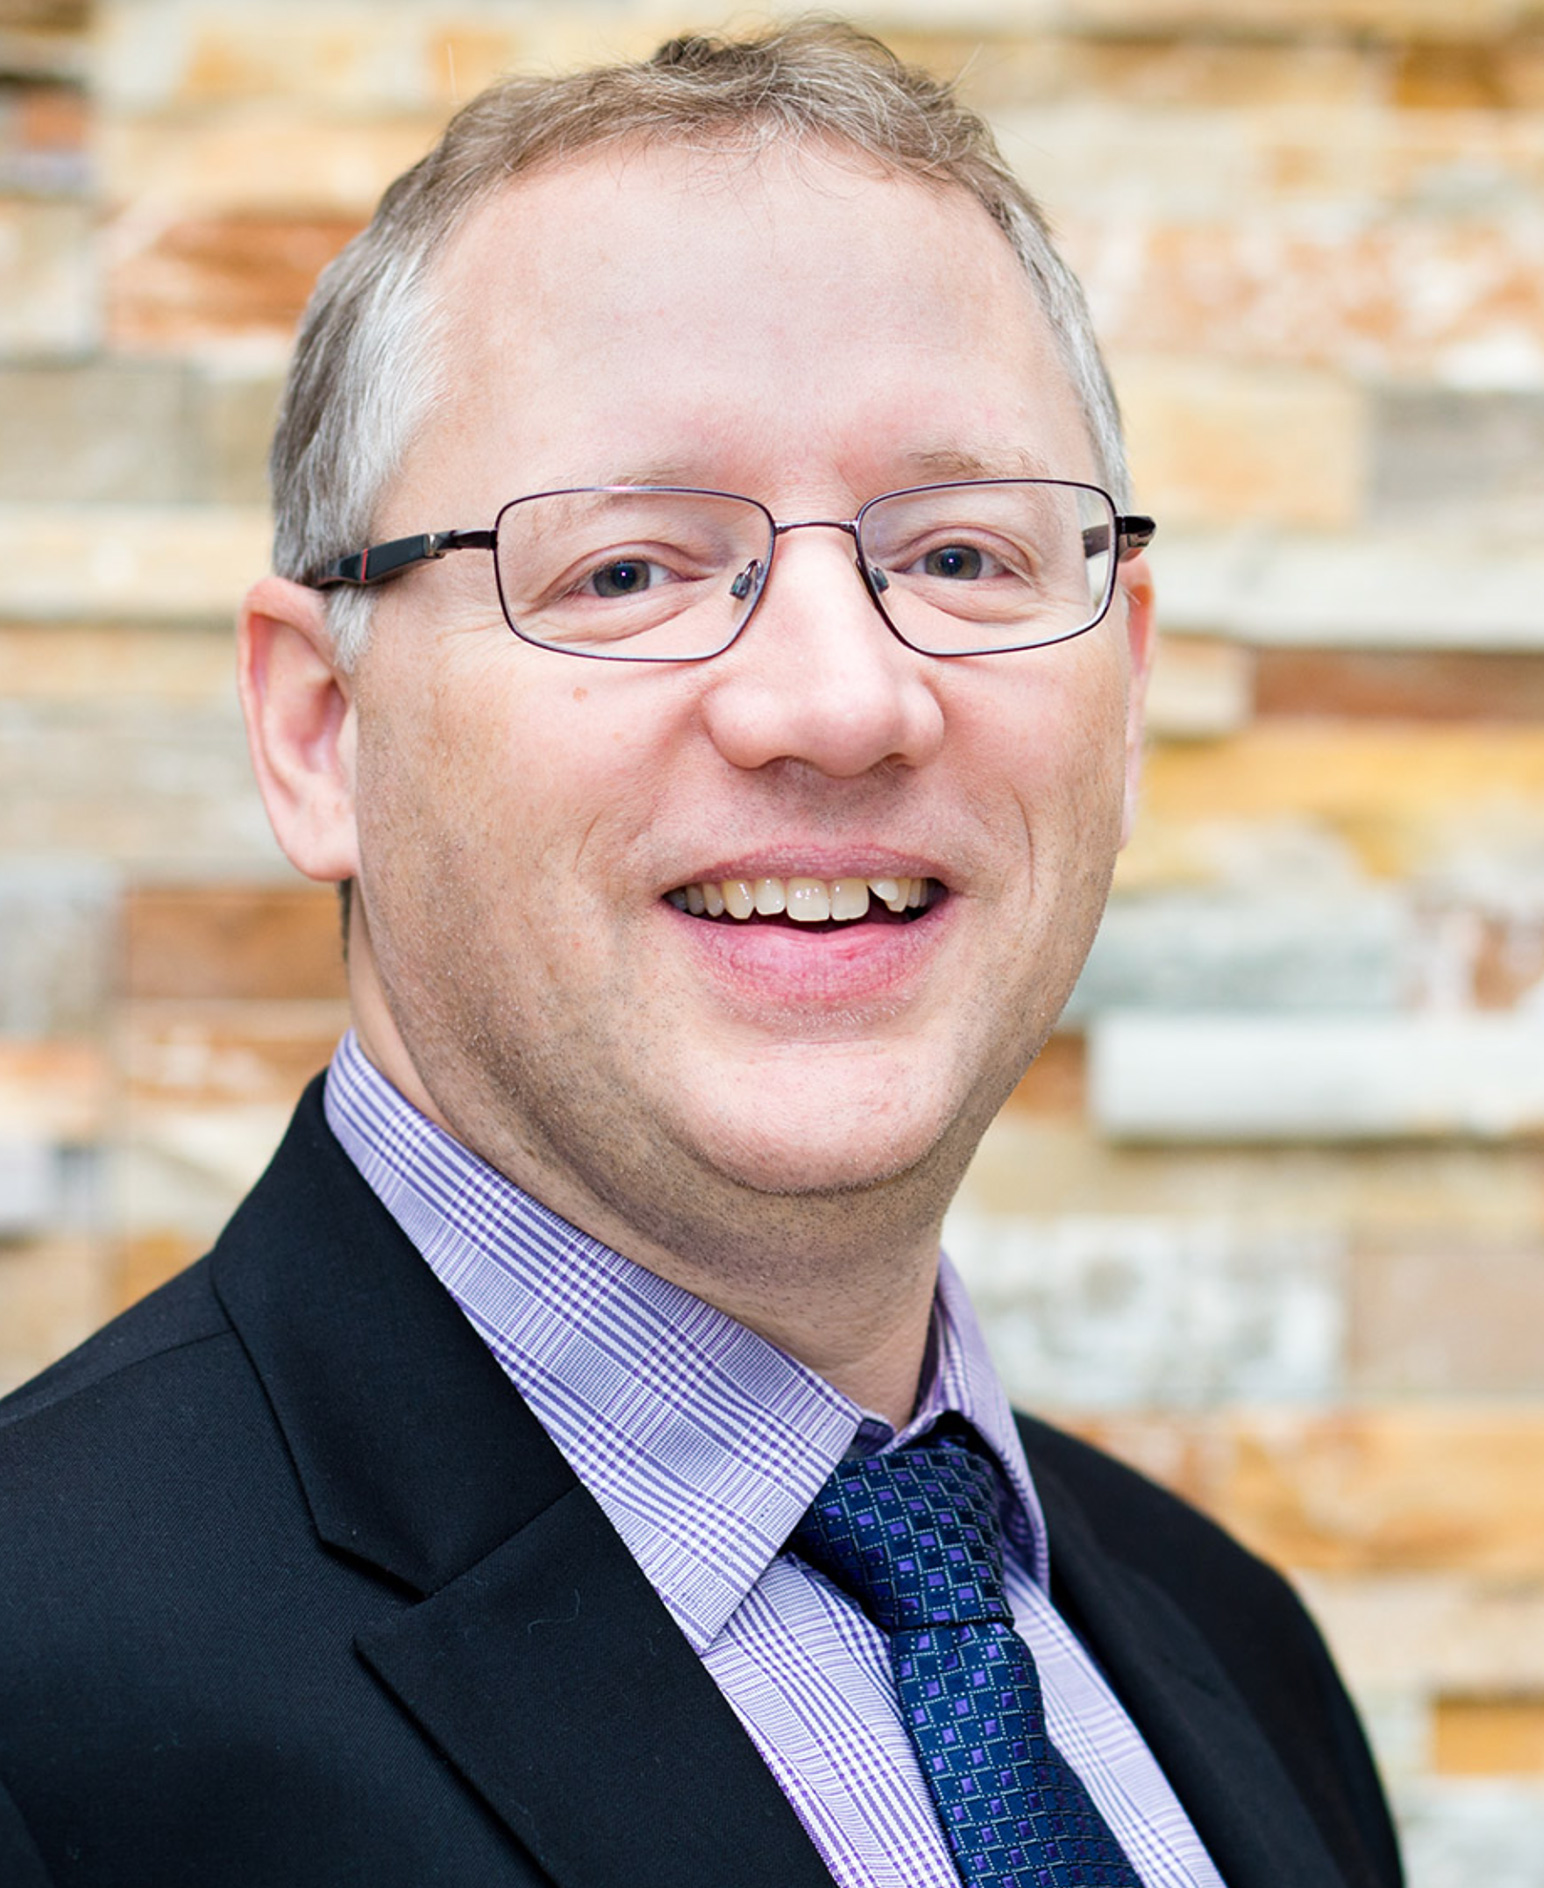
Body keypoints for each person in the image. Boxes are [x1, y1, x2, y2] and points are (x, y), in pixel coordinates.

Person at [0, 23, 1401, 1888]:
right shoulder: (42, 1691)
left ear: (1124, 691)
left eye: (965, 556)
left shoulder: (1229, 1645)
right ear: (321, 733)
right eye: (628, 570)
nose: (841, 697)